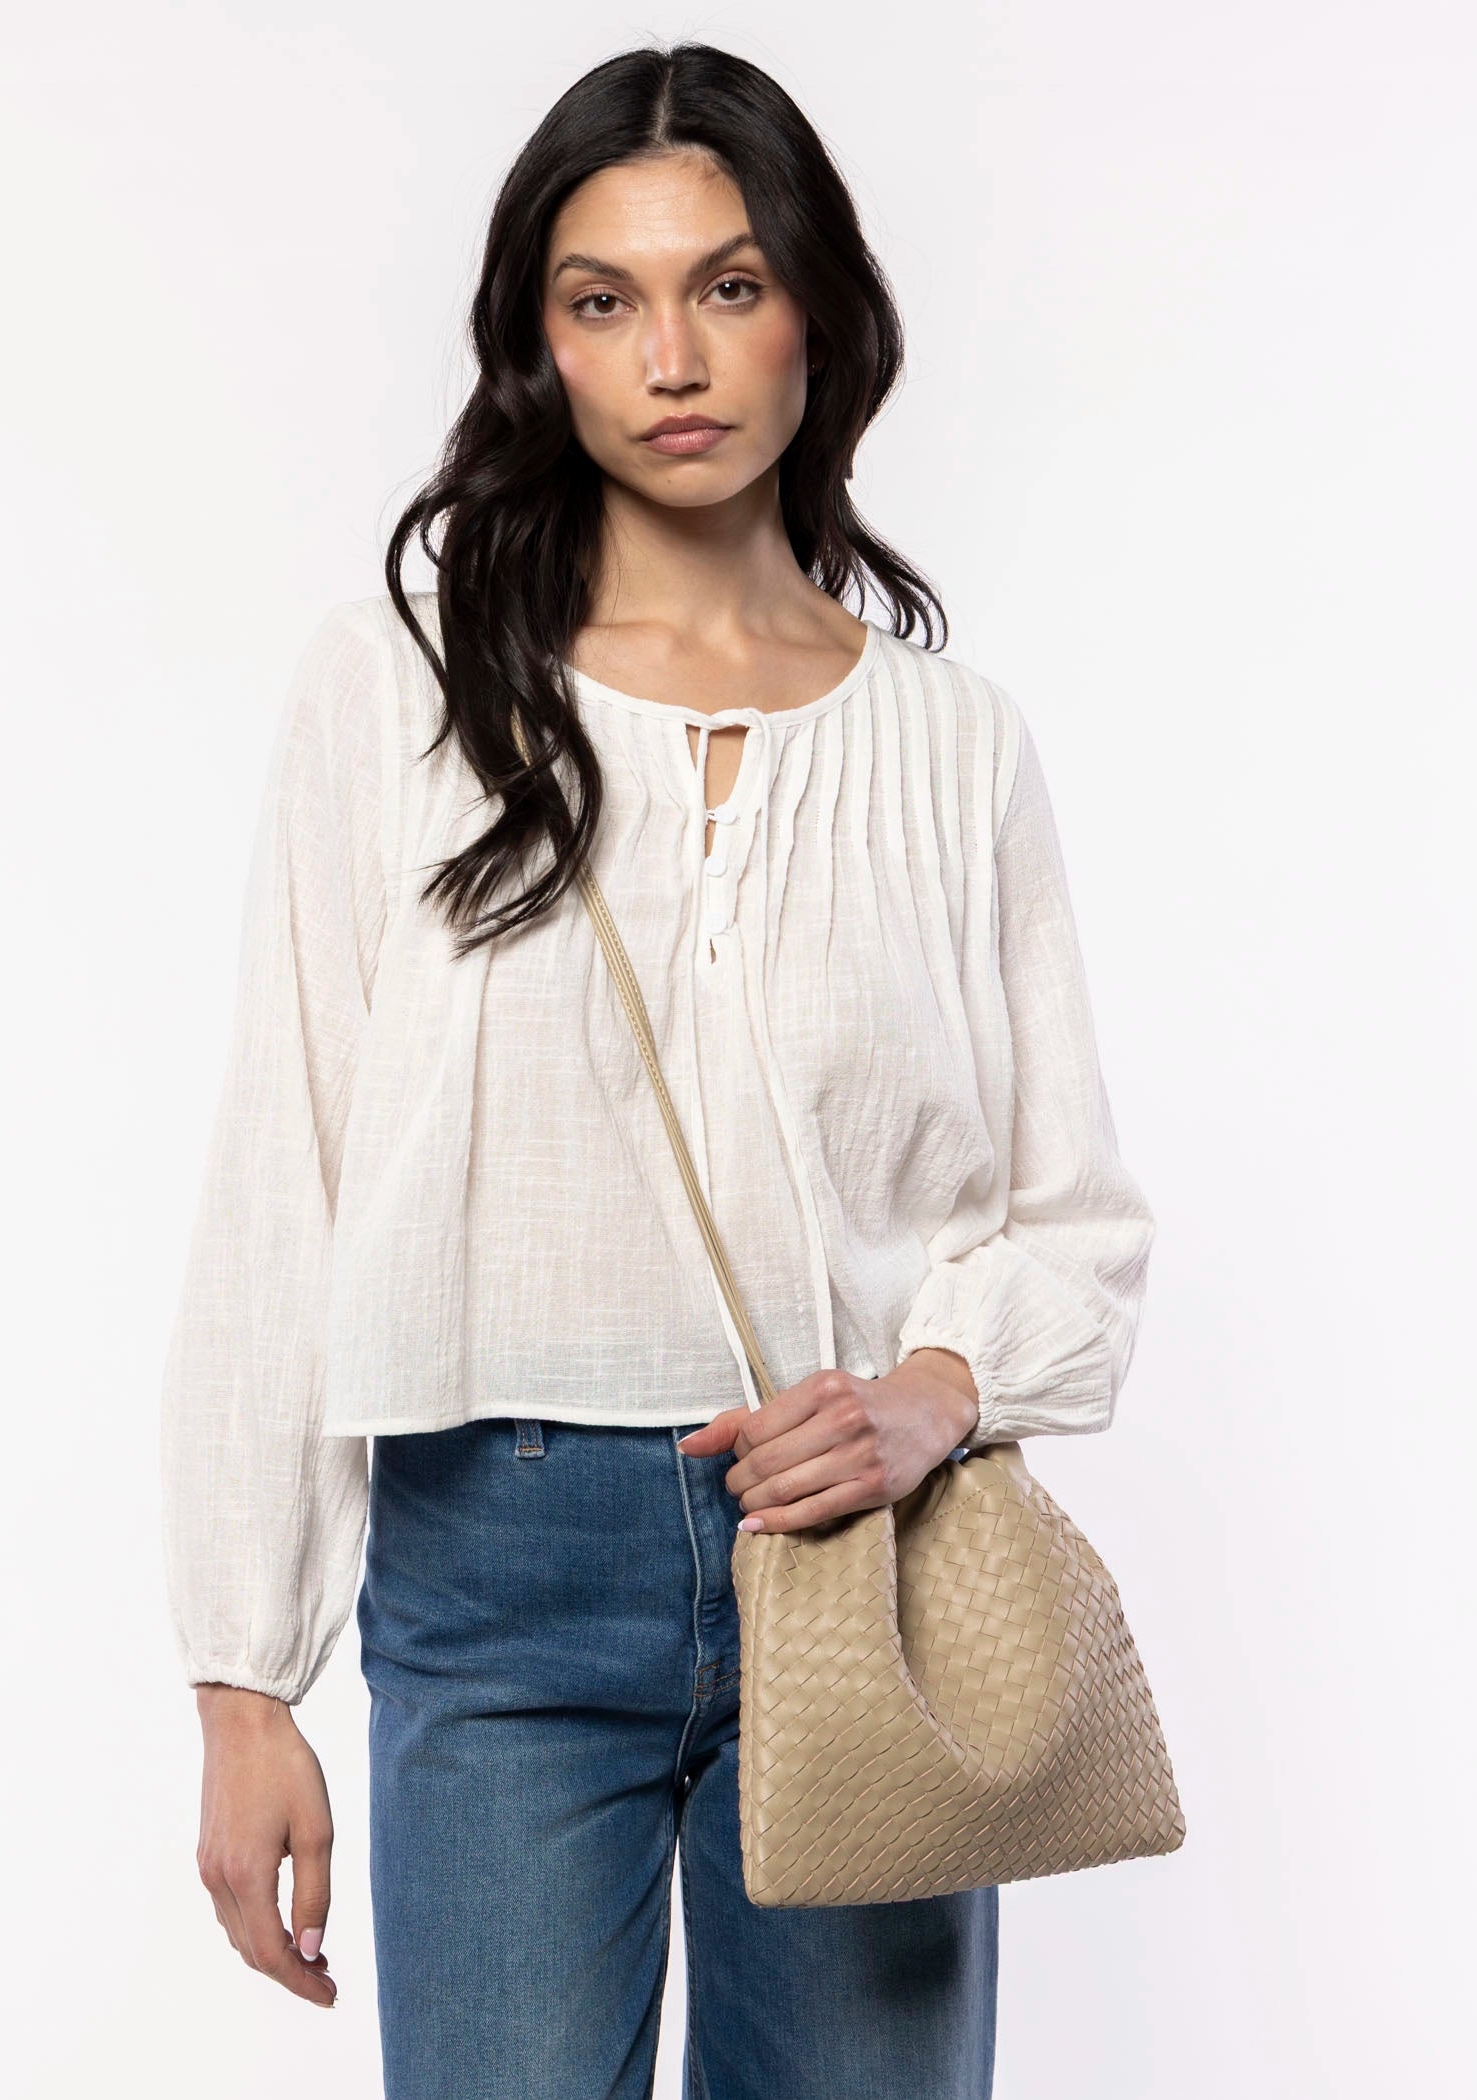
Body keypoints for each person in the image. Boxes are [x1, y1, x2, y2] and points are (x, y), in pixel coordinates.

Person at [159, 40, 1156, 2100]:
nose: (672, 359)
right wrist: (245, 1676)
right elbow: (286, 1175)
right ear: (540, 343)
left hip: (859, 1559)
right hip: (500, 1566)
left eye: (729, 284)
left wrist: (927, 1396)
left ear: (820, 315)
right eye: (603, 299)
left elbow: (1070, 1214)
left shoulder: (950, 747)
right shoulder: (405, 693)